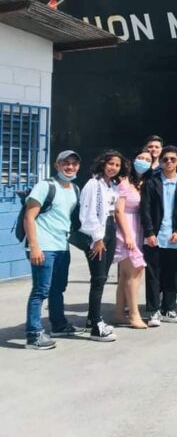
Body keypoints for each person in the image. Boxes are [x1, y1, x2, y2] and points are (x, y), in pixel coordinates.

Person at [24, 150, 85, 350]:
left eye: (74, 164)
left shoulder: (75, 189)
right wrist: (34, 247)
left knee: (58, 289)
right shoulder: (45, 186)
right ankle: (33, 335)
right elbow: (29, 217)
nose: (70, 167)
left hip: (61, 246)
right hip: (43, 246)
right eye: (65, 163)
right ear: (57, 165)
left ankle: (58, 325)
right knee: (41, 290)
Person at [141, 145, 177, 326]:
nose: (169, 162)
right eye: (165, 159)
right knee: (153, 275)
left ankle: (168, 309)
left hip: (175, 239)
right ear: (161, 162)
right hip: (155, 238)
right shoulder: (152, 183)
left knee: (173, 275)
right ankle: (153, 311)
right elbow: (145, 209)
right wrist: (149, 232)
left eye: (172, 159)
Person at [79, 150, 126, 341]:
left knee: (103, 277)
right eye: (110, 163)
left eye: (117, 165)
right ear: (102, 163)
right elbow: (87, 213)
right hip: (98, 233)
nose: (113, 168)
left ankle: (92, 319)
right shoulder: (93, 184)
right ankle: (96, 325)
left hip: (110, 229)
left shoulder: (112, 186)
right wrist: (97, 238)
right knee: (98, 278)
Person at [113, 149, 151, 329]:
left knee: (125, 275)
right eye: (140, 158)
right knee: (135, 272)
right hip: (126, 229)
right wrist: (128, 235)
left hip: (137, 228)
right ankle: (134, 314)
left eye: (147, 159)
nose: (143, 161)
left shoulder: (142, 183)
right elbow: (119, 210)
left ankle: (119, 313)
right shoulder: (124, 182)